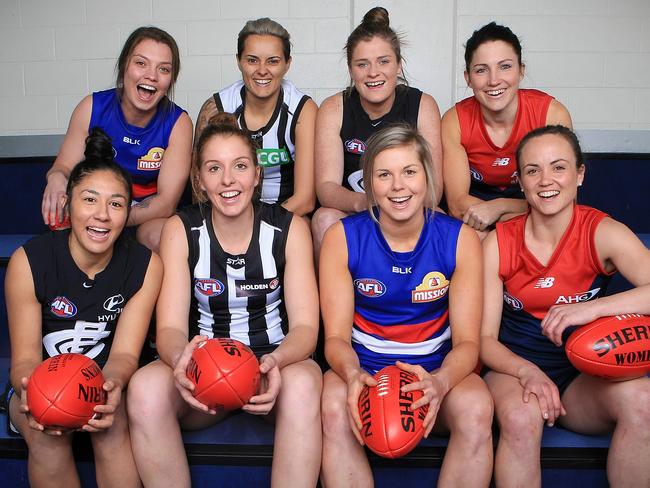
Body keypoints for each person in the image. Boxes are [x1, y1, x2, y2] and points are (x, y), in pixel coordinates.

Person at [127, 113, 322, 488]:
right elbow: (168, 327)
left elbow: (305, 329)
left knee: (304, 386)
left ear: (257, 174)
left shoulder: (289, 229)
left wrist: (275, 361)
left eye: (240, 166)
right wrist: (181, 360)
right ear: (199, 180)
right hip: (204, 371)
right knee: (145, 389)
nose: (228, 180)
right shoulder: (181, 230)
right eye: (214, 168)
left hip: (272, 369)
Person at [320, 124, 493, 487]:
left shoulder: (459, 239)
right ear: (368, 184)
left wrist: (441, 382)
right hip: (365, 366)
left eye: (409, 172)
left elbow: (467, 344)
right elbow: (334, 338)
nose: (398, 186)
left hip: (434, 367)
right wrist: (353, 375)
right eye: (384, 175)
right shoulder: (342, 237)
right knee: (333, 406)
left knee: (477, 408)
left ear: (428, 177)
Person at [481, 125, 650, 487]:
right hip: (513, 370)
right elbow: (483, 340)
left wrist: (592, 309)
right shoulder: (499, 243)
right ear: (521, 182)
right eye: (532, 170)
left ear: (580, 174)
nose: (546, 180)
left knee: (643, 400)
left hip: (580, 376)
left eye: (558, 167)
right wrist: (527, 372)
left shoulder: (602, 231)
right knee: (522, 417)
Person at [5, 128, 162, 488]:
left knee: (114, 423)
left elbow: (124, 354)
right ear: (69, 203)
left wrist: (111, 387)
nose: (102, 215)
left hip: (102, 382)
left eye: (116, 204)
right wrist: (37, 393)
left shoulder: (145, 265)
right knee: (45, 431)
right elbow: (25, 361)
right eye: (90, 200)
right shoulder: (30, 261)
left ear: (127, 213)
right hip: (40, 383)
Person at [41, 26, 193, 252]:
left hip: (144, 216)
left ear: (171, 80)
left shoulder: (178, 123)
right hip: (97, 206)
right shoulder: (91, 108)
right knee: (60, 214)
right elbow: (62, 167)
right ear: (124, 66)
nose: (151, 75)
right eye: (141, 63)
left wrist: (115, 217)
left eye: (163, 69)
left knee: (163, 237)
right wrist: (55, 178)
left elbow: (166, 202)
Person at [311, 7, 443, 256]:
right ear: (351, 70)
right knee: (324, 219)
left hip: (409, 206)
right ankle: (332, 294)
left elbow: (434, 186)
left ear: (398, 65)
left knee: (441, 218)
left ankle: (426, 289)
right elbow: (326, 187)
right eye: (363, 64)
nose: (373, 73)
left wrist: (395, 206)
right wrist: (363, 203)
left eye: (384, 61)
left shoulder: (423, 105)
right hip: (357, 208)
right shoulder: (333, 108)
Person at [442, 22, 572, 236]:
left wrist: (500, 206)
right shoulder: (454, 121)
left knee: (551, 228)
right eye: (481, 70)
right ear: (468, 78)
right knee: (471, 238)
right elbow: (457, 205)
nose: (494, 80)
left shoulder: (551, 115)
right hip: (478, 213)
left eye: (505, 66)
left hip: (532, 207)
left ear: (521, 71)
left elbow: (563, 199)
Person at [194, 18, 317, 217]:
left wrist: (256, 226)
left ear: (287, 64)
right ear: (239, 61)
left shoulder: (303, 109)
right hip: (226, 212)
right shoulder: (216, 107)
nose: (262, 70)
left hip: (285, 212)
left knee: (302, 227)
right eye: (252, 60)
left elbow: (305, 199)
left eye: (273, 61)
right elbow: (198, 189)